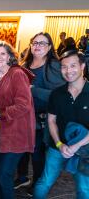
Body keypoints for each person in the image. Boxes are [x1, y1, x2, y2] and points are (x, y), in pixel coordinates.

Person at [34, 50, 89, 199]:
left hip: (85, 149)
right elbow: (51, 120)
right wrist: (59, 144)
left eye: (73, 66)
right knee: (44, 182)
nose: (68, 71)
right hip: (57, 147)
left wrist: (76, 146)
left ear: (82, 66)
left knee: (84, 189)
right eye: (64, 67)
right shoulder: (57, 93)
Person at [16, 32, 66, 196]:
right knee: (21, 150)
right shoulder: (24, 64)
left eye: (42, 43)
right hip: (22, 116)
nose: (37, 46)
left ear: (50, 47)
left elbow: (60, 95)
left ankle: (36, 181)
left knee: (37, 153)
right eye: (35, 42)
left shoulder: (54, 65)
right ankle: (22, 177)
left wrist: (34, 91)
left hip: (42, 118)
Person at [0, 41, 35, 199]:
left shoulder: (17, 73)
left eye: (2, 53)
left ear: (10, 56)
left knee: (4, 177)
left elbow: (24, 105)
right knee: (0, 174)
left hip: (15, 134)